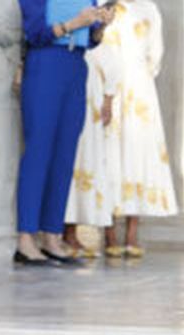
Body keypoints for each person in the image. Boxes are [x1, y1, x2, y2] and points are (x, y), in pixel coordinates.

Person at [14, 0, 115, 266]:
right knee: (38, 152)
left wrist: (100, 26)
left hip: (76, 66)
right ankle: (25, 239)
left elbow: (92, 39)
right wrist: (74, 24)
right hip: (46, 63)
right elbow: (35, 32)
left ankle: (51, 236)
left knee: (64, 155)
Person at [102, 0, 177, 259]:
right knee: (108, 154)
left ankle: (132, 232)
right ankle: (108, 231)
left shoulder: (149, 9)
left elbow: (155, 54)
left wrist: (140, 75)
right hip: (107, 87)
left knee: (137, 157)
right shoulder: (103, 4)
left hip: (139, 88)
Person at [62, 35, 123, 258]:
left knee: (87, 160)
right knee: (70, 159)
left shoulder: (99, 36)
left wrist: (108, 97)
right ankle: (64, 231)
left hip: (91, 96)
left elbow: (108, 57)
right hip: (69, 81)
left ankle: (72, 231)